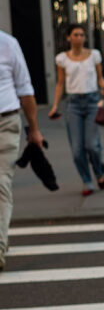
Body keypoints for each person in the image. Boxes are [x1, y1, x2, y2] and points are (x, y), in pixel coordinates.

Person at [0, 30, 44, 271]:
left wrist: (34, 129)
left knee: (1, 183)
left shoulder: (8, 44)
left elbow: (25, 90)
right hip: (7, 119)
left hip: (5, 122)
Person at [49, 24, 104, 195]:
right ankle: (87, 181)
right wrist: (55, 105)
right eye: (75, 34)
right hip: (73, 104)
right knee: (77, 150)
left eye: (82, 34)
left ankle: (99, 172)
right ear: (68, 37)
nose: (79, 38)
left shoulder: (94, 55)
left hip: (92, 102)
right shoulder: (62, 58)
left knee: (92, 145)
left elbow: (100, 78)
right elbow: (60, 83)